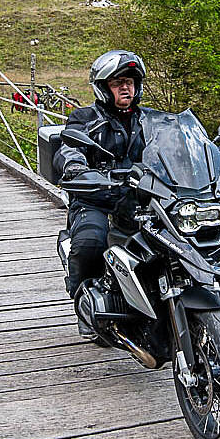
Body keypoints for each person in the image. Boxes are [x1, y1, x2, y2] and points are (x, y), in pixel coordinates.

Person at [56, 50, 160, 336]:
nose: (126, 87)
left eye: (129, 81)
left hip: (145, 197)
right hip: (97, 196)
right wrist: (76, 168)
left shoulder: (152, 121)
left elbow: (179, 147)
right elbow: (69, 148)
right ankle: (85, 304)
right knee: (90, 240)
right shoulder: (85, 118)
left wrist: (213, 158)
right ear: (103, 88)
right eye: (117, 83)